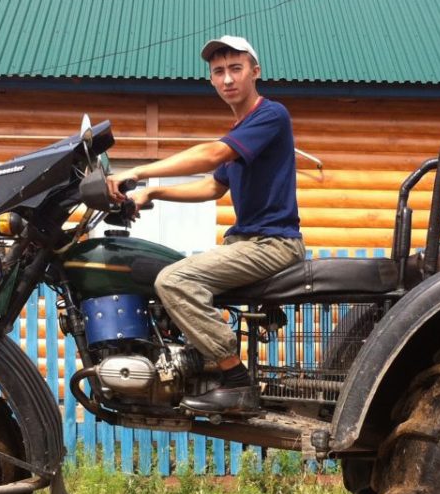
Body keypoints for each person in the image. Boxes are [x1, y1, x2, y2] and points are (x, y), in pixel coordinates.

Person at [106, 35, 304, 417]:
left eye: (235, 68)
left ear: (255, 72)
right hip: (245, 242)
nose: (227, 79)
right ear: (212, 80)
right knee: (164, 274)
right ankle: (195, 362)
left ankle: (235, 381)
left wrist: (139, 171)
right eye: (218, 72)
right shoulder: (243, 128)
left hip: (273, 243)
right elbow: (215, 185)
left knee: (175, 280)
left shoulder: (270, 115)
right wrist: (156, 193)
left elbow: (214, 154)